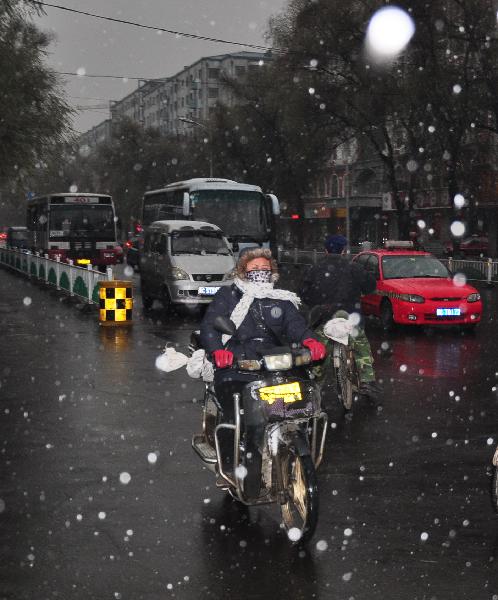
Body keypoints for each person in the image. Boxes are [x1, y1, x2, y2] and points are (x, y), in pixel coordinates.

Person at [199, 247, 326, 489]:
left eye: (264, 268)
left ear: (272, 272)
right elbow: (210, 326)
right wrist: (218, 350)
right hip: (237, 363)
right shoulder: (228, 295)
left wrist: (310, 340)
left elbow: (295, 325)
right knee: (237, 414)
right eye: (254, 268)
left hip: (274, 363)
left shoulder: (281, 298)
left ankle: (293, 445)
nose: (260, 272)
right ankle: (228, 463)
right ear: (243, 269)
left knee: (298, 402)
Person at [299, 234, 381, 402]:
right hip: (351, 316)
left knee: (320, 350)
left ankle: (314, 383)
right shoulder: (354, 268)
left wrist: (317, 303)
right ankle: (367, 381)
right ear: (344, 250)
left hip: (324, 316)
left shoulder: (314, 268)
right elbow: (370, 286)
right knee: (361, 345)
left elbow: (303, 293)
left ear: (325, 250)